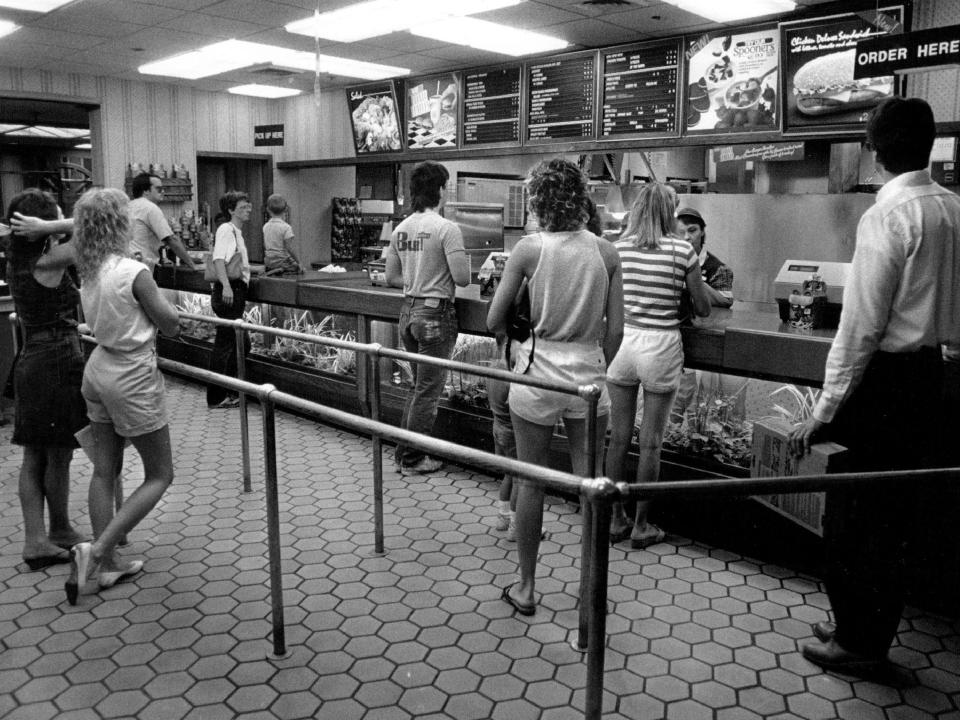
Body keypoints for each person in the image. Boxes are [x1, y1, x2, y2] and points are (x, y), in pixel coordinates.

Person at [787, 97, 960, 674]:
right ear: (930, 144)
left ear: (873, 146)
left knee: (855, 519)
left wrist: (826, 407)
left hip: (884, 384)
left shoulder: (886, 216)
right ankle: (860, 625)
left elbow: (860, 327)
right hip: (931, 375)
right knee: (895, 516)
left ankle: (859, 644)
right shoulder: (953, 208)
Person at [487, 158, 624, 615]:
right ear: (582, 196)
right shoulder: (607, 252)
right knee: (592, 487)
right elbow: (616, 332)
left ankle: (526, 588)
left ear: (538, 199)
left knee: (532, 482)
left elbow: (494, 318)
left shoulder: (529, 249)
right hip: (588, 377)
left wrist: (518, 339)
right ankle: (589, 593)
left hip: (537, 374)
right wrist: (593, 358)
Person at [63, 187, 181, 605]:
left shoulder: (88, 269)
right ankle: (95, 553)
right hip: (132, 374)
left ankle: (110, 560)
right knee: (160, 473)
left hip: (98, 367)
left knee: (105, 470)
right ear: (120, 225)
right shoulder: (133, 271)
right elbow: (171, 324)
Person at [604, 183, 711, 548]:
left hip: (623, 344)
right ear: (668, 213)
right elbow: (702, 307)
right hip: (661, 346)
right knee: (651, 443)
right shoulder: (683, 251)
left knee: (617, 438)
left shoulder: (616, 249)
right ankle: (642, 525)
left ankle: (614, 518)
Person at [6, 189, 86, 570]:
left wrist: (41, 227)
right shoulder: (48, 259)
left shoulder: (19, 257)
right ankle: (39, 539)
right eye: (53, 217)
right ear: (37, 227)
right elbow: (98, 228)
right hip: (54, 359)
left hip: (35, 356)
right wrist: (51, 226)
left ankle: (56, 530)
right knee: (47, 453)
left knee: (48, 452)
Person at [385, 161, 469, 474]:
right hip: (435, 314)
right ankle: (413, 459)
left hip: (408, 312)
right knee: (428, 392)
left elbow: (391, 277)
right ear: (440, 190)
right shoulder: (447, 228)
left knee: (417, 387)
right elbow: (462, 278)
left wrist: (417, 277)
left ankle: (402, 453)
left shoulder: (401, 228)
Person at [672, 207, 734, 421]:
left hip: (706, 348)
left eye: (692, 230)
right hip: (673, 346)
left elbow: (725, 301)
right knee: (672, 410)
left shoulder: (719, 269)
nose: (687, 237)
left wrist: (693, 278)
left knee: (702, 414)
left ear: (702, 233)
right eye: (680, 232)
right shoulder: (668, 263)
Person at [206, 191, 252, 409]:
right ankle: (217, 396)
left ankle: (230, 391)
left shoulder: (236, 231)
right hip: (230, 291)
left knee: (237, 343)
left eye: (248, 206)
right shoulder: (226, 229)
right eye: (243, 207)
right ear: (231, 210)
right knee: (227, 344)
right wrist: (226, 286)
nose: (248, 209)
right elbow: (218, 259)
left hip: (234, 289)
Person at [127, 173, 196, 272]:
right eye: (159, 189)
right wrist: (192, 264)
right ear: (146, 191)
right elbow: (171, 240)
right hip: (142, 266)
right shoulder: (150, 208)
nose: (163, 192)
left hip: (126, 263)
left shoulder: (128, 206)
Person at [263, 194, 304, 275]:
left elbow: (265, 245)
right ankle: (282, 269)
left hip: (269, 261)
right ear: (285, 209)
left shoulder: (265, 226)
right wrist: (299, 262)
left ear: (268, 209)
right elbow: (289, 248)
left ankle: (275, 269)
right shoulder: (286, 227)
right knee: (298, 268)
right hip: (282, 261)